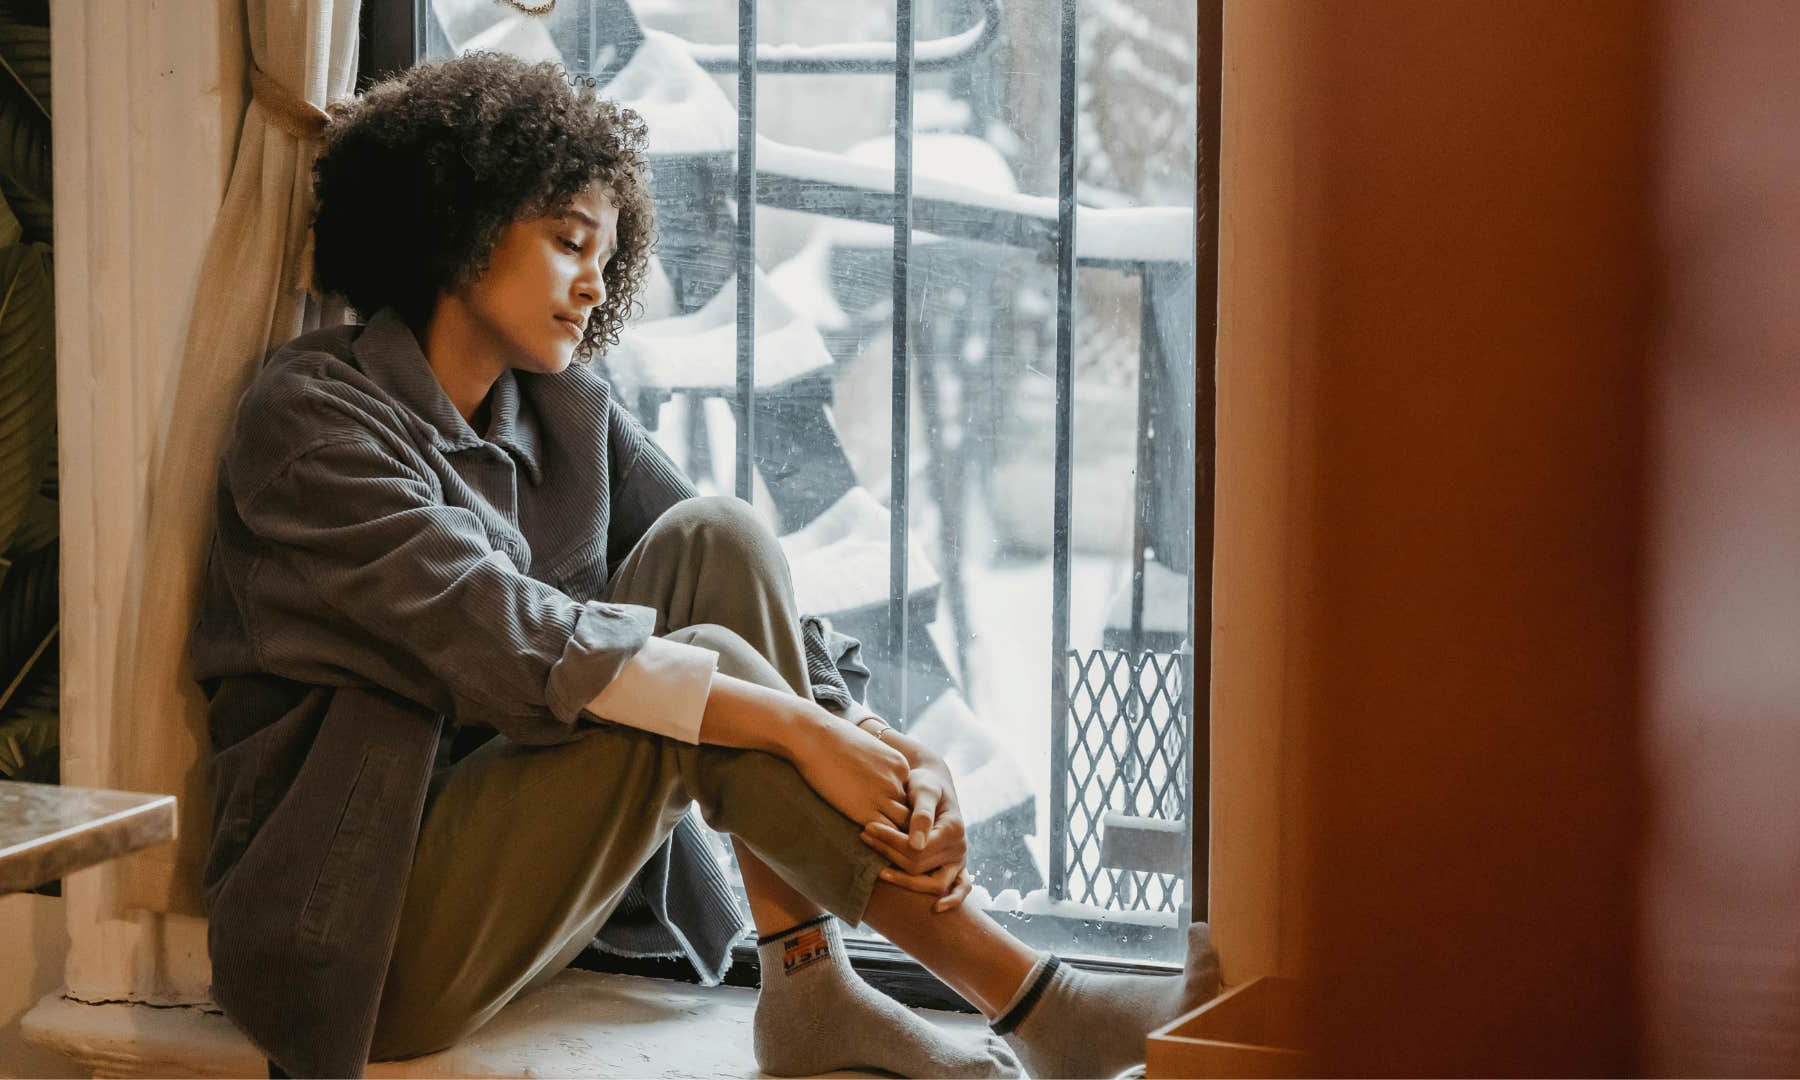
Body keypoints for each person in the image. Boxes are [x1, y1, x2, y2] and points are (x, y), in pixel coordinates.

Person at [190, 53, 1220, 1080]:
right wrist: (798, 730)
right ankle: (1041, 1002)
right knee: (692, 677)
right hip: (360, 940)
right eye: (567, 242)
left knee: (717, 536)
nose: (597, 282)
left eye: (607, 251)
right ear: (456, 228)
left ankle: (813, 987)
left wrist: (875, 743)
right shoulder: (311, 421)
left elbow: (719, 565)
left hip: (524, 894)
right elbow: (507, 634)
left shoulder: (566, 406)